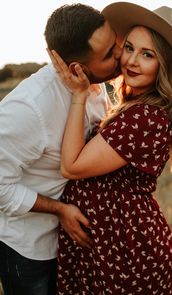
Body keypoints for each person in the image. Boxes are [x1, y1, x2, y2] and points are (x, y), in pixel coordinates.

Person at [48, 2, 172, 294]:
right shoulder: (134, 106)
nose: (132, 61)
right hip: (109, 241)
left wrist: (79, 94)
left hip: (125, 248)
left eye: (147, 55)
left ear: (164, 66)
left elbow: (71, 167)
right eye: (129, 48)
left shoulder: (145, 117)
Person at [0, 3, 121, 295]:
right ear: (76, 68)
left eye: (115, 44)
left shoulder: (94, 83)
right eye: (108, 55)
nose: (120, 56)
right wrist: (59, 209)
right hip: (29, 247)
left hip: (72, 241)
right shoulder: (28, 108)